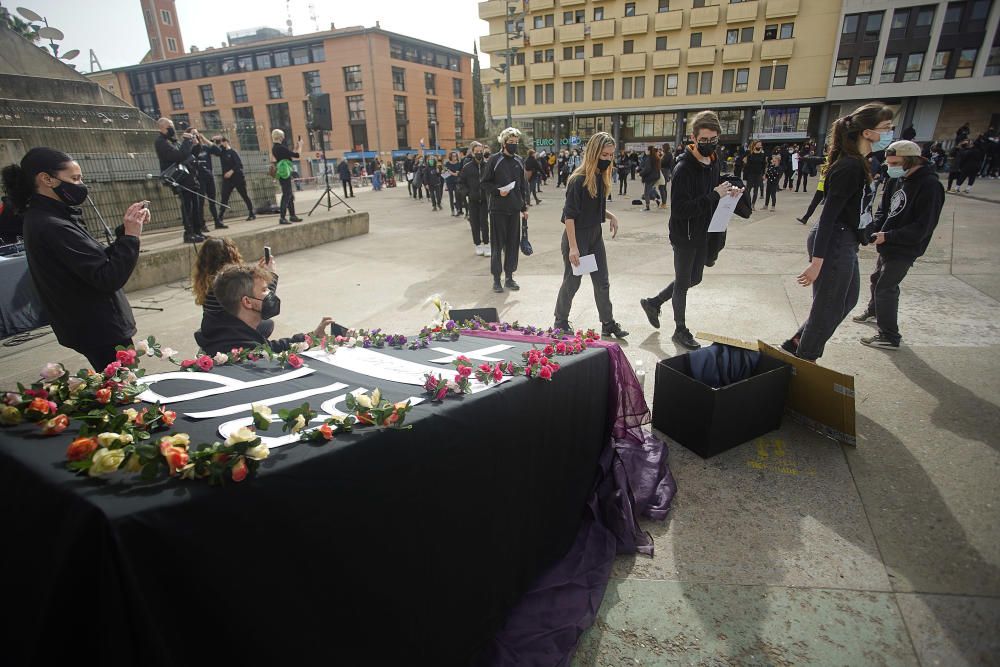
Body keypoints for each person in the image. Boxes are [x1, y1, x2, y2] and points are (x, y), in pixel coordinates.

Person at [2, 147, 148, 369]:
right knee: (126, 390)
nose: (80, 185)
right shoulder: (52, 225)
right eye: (74, 178)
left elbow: (91, 260)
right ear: (47, 179)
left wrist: (126, 231)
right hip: (98, 328)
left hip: (91, 326)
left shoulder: (53, 217)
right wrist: (130, 239)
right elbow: (107, 277)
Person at [781, 102, 895, 361]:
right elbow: (829, 216)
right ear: (867, 132)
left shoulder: (860, 163)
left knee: (847, 300)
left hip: (847, 240)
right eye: (886, 128)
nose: (890, 133)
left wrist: (868, 234)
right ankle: (805, 359)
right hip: (835, 240)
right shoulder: (849, 167)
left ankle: (799, 341)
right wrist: (817, 263)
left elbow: (856, 210)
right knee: (827, 307)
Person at [640, 111, 743, 350]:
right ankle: (680, 329)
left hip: (706, 230)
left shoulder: (714, 159)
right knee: (684, 283)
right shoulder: (683, 168)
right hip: (685, 233)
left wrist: (730, 189)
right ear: (694, 138)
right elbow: (681, 210)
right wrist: (713, 196)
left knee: (694, 278)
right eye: (704, 140)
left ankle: (654, 302)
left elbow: (715, 185)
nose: (709, 144)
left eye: (713, 139)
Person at [851, 140, 944, 351]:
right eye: (889, 163)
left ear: (911, 160)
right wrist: (873, 230)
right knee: (877, 279)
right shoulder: (897, 180)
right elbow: (883, 209)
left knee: (886, 287)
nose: (890, 167)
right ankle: (875, 311)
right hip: (887, 242)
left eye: (895, 162)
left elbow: (923, 226)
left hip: (905, 247)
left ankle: (889, 336)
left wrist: (890, 235)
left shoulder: (930, 186)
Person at [552, 132, 628, 339]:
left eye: (611, 155)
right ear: (594, 153)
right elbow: (569, 216)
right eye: (604, 154)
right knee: (573, 281)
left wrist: (611, 216)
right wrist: (574, 248)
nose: (608, 159)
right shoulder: (577, 180)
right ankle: (560, 321)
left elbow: (593, 208)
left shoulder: (600, 177)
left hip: (595, 235)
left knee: (602, 281)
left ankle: (607, 323)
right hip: (577, 237)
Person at [196, 263, 333, 357]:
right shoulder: (245, 350)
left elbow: (271, 347)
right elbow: (271, 353)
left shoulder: (230, 327)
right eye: (264, 290)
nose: (270, 293)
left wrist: (312, 337)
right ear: (247, 302)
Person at [192, 236, 277, 339]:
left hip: (213, 329)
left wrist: (257, 273)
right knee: (267, 324)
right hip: (234, 330)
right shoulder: (231, 283)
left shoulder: (203, 281)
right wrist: (271, 275)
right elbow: (264, 304)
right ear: (232, 255)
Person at [481, 127, 529, 293]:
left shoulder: (519, 160)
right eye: (511, 142)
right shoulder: (494, 160)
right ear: (503, 143)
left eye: (516, 142)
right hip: (497, 210)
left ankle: (509, 277)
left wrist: (524, 207)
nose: (514, 145)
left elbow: (522, 186)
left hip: (514, 210)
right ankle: (496, 279)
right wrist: (497, 191)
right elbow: (485, 183)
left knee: (512, 245)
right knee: (497, 245)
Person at [155, 117, 204, 243]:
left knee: (196, 205)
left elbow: (189, 155)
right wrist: (187, 141)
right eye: (169, 127)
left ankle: (198, 231)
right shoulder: (161, 142)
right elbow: (178, 156)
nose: (173, 129)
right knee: (187, 206)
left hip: (189, 177)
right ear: (162, 128)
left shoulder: (172, 141)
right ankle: (189, 233)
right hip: (179, 178)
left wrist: (195, 144)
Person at [459, 141, 490, 257]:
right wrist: (467, 193)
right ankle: (478, 244)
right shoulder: (467, 168)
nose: (479, 153)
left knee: (484, 222)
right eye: (476, 152)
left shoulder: (488, 165)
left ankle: (487, 244)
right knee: (475, 223)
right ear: (472, 153)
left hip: (485, 200)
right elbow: (460, 183)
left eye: (480, 151)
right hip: (472, 200)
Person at [192, 130, 227, 229]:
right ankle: (202, 224)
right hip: (199, 178)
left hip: (209, 176)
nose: (196, 136)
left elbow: (218, 151)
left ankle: (217, 221)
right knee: (200, 202)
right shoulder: (192, 149)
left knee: (212, 200)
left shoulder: (205, 148)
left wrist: (205, 139)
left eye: (197, 134)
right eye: (194, 134)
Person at [218, 136, 256, 222]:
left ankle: (251, 213)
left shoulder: (233, 152)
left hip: (237, 178)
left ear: (226, 142)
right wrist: (214, 139)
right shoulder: (221, 153)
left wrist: (231, 171)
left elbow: (239, 164)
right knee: (224, 196)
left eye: (222, 142)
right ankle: (220, 216)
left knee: (244, 195)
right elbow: (212, 146)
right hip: (227, 179)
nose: (220, 144)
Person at [271, 129, 302, 225]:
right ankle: (282, 217)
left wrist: (296, 147)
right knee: (286, 195)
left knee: (289, 194)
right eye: (283, 136)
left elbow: (289, 155)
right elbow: (297, 155)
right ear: (280, 137)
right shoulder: (281, 147)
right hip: (285, 173)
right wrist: (300, 146)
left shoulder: (275, 148)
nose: (284, 138)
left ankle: (292, 215)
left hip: (282, 172)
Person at [797, 161, 828, 225]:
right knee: (813, 204)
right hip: (821, 187)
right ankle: (805, 218)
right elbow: (814, 159)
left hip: (829, 187)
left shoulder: (835, 161)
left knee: (829, 206)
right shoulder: (825, 159)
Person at [743, 141, 766, 209]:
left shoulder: (762, 155)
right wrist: (745, 176)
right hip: (751, 174)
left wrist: (764, 174)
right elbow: (747, 166)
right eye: (758, 145)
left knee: (756, 190)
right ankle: (747, 203)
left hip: (758, 174)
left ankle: (753, 205)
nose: (759, 146)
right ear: (754, 145)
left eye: (760, 145)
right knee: (748, 190)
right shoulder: (750, 154)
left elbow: (763, 165)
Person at [639, 145, 661, 211]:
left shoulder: (649, 158)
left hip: (650, 177)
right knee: (650, 190)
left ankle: (647, 206)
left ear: (649, 150)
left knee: (646, 192)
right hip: (655, 176)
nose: (646, 151)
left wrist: (640, 173)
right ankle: (656, 200)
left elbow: (647, 169)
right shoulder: (656, 157)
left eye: (646, 149)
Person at [444, 151, 463, 216]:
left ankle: (458, 209)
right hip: (449, 182)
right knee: (451, 196)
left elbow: (456, 174)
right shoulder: (447, 164)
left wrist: (450, 171)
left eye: (455, 156)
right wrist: (446, 184)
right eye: (453, 156)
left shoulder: (459, 164)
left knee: (457, 196)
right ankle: (452, 210)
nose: (454, 157)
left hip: (456, 182)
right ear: (450, 157)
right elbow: (445, 174)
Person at [659, 143, 675, 208]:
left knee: (662, 187)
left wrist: (660, 159)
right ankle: (663, 202)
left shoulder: (668, 154)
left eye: (663, 147)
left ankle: (664, 203)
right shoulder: (666, 154)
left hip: (665, 171)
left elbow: (664, 162)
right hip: (665, 171)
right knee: (663, 187)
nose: (662, 148)